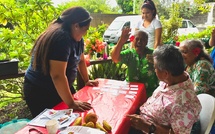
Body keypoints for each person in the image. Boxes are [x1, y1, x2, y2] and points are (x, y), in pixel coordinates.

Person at [23, 6, 99, 117]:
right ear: (76, 26)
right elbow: (57, 75)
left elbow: (81, 61)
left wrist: (86, 80)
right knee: (50, 124)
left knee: (70, 118)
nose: (85, 33)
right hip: (39, 90)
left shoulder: (78, 39)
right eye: (85, 29)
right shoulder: (62, 39)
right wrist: (71, 103)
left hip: (59, 86)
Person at [127, 45, 202, 134]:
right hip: (142, 119)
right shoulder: (173, 78)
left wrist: (149, 127)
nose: (154, 70)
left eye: (155, 67)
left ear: (166, 73)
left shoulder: (183, 103)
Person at [111, 28, 159, 98]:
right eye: (137, 39)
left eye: (142, 40)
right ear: (133, 41)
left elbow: (165, 69)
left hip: (149, 94)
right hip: (132, 93)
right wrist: (121, 41)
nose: (139, 42)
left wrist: (156, 63)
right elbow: (115, 58)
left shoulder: (154, 54)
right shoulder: (130, 53)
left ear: (146, 42)